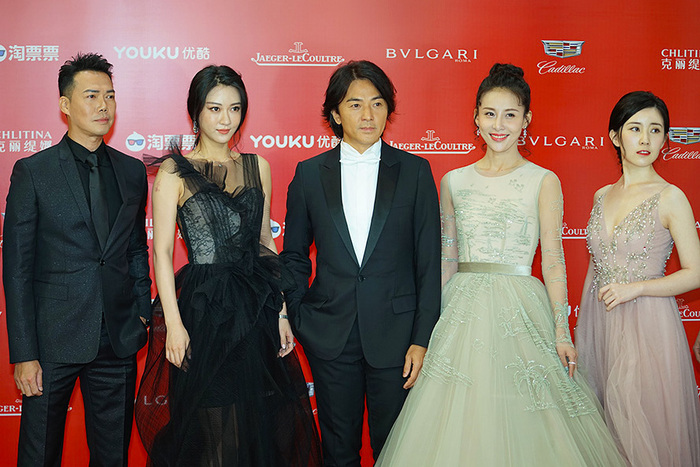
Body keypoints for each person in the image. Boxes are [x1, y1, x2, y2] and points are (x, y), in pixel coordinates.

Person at [376, 64, 626, 466]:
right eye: (490, 113)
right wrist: (431, 326)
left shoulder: (543, 180)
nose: (499, 125)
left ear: (526, 120)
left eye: (510, 115)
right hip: (461, 311)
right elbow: (447, 259)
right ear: (475, 117)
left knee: (528, 418)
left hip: (521, 308)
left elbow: (554, 261)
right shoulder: (453, 180)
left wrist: (561, 331)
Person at [135, 65, 321, 466]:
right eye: (215, 108)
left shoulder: (258, 166)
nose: (226, 119)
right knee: (213, 430)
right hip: (205, 314)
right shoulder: (174, 171)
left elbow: (266, 243)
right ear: (196, 112)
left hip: (256, 311)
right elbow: (161, 253)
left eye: (235, 109)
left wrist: (281, 313)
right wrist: (174, 325)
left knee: (262, 427)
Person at [281, 60, 441, 465]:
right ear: (336, 114)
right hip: (330, 335)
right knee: (338, 452)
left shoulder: (415, 172)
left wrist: (422, 338)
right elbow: (294, 255)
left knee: (397, 451)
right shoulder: (309, 175)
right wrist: (299, 315)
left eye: (377, 103)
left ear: (388, 110)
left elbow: (428, 263)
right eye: (355, 104)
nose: (368, 114)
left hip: (398, 337)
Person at [3, 52, 151, 466]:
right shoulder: (34, 171)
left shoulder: (131, 171)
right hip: (51, 340)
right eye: (91, 96)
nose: (104, 105)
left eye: (110, 96)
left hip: (117, 338)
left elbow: (135, 248)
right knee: (39, 453)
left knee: (112, 455)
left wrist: (141, 310)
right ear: (65, 105)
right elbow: (17, 270)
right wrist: (24, 353)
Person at [576, 91, 700, 466]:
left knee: (644, 432)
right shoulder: (601, 196)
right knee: (606, 432)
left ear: (665, 139)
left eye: (655, 130)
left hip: (648, 325)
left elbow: (695, 272)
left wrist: (637, 288)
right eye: (635, 128)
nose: (645, 139)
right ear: (615, 136)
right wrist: (583, 331)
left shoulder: (671, 197)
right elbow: (596, 267)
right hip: (601, 323)